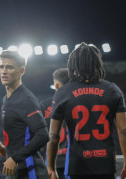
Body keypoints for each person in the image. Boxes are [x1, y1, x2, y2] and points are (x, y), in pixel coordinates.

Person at [47, 43, 126, 179]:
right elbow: (123, 130)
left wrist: (50, 168)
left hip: (77, 165)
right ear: (97, 63)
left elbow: (54, 136)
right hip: (105, 164)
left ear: (73, 64)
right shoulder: (112, 90)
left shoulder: (63, 93)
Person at [0, 50, 49, 178]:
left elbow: (43, 135)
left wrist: (14, 158)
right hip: (15, 171)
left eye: (9, 67)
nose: (4, 71)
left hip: (30, 171)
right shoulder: (7, 98)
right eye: (1, 66)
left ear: (21, 71)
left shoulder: (26, 100)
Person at [40, 68, 69, 179]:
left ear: (56, 85)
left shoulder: (44, 105)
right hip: (75, 159)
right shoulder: (79, 101)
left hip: (52, 159)